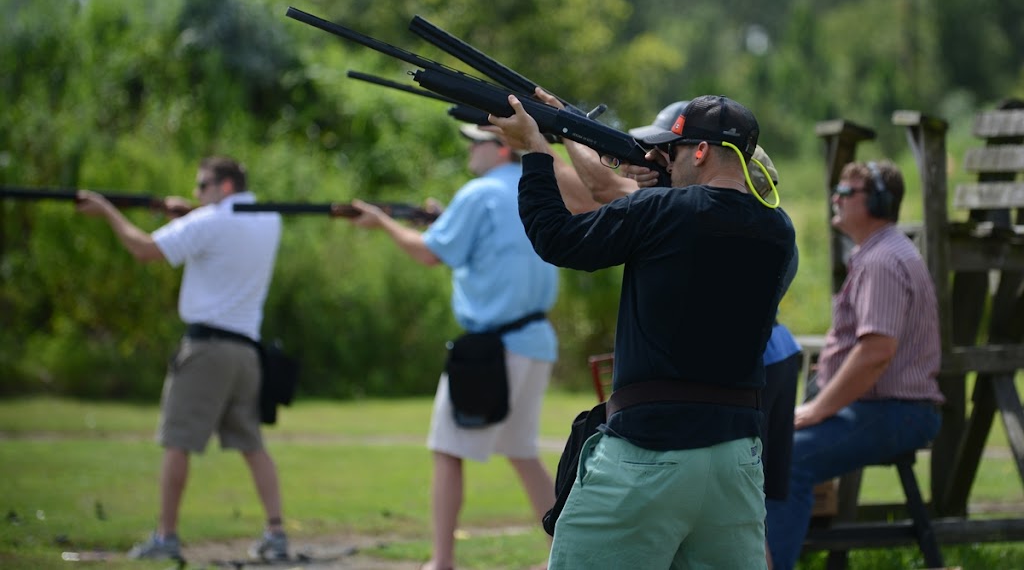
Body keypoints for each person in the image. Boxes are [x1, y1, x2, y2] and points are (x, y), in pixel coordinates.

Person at [491, 93, 796, 569]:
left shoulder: (661, 212)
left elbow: (555, 237)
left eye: (669, 152)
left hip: (650, 451)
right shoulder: (779, 232)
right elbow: (701, 218)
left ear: (699, 152)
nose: (662, 161)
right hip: (736, 461)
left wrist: (534, 152)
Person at [346, 124, 559, 570]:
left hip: (491, 349)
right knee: (522, 453)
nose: (469, 150)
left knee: (447, 449)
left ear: (502, 148)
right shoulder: (537, 187)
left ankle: (441, 561)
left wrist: (381, 221)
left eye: (476, 142)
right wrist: (441, 219)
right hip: (536, 341)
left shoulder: (478, 194)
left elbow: (428, 254)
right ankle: (567, 555)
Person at [75, 156, 289, 562]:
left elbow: (144, 249)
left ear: (224, 187)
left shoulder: (207, 224)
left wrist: (107, 210)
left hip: (206, 350)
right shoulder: (267, 219)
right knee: (252, 445)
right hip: (247, 353)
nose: (196, 192)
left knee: (177, 443)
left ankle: (166, 535)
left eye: (202, 185)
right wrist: (193, 212)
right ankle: (277, 533)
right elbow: (228, 226)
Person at [764, 160, 944, 570]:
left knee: (789, 460)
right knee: (781, 451)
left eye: (847, 192)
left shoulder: (881, 261)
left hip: (896, 411)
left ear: (878, 202)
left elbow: (875, 353)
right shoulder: (880, 252)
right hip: (885, 408)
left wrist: (817, 409)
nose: (836, 198)